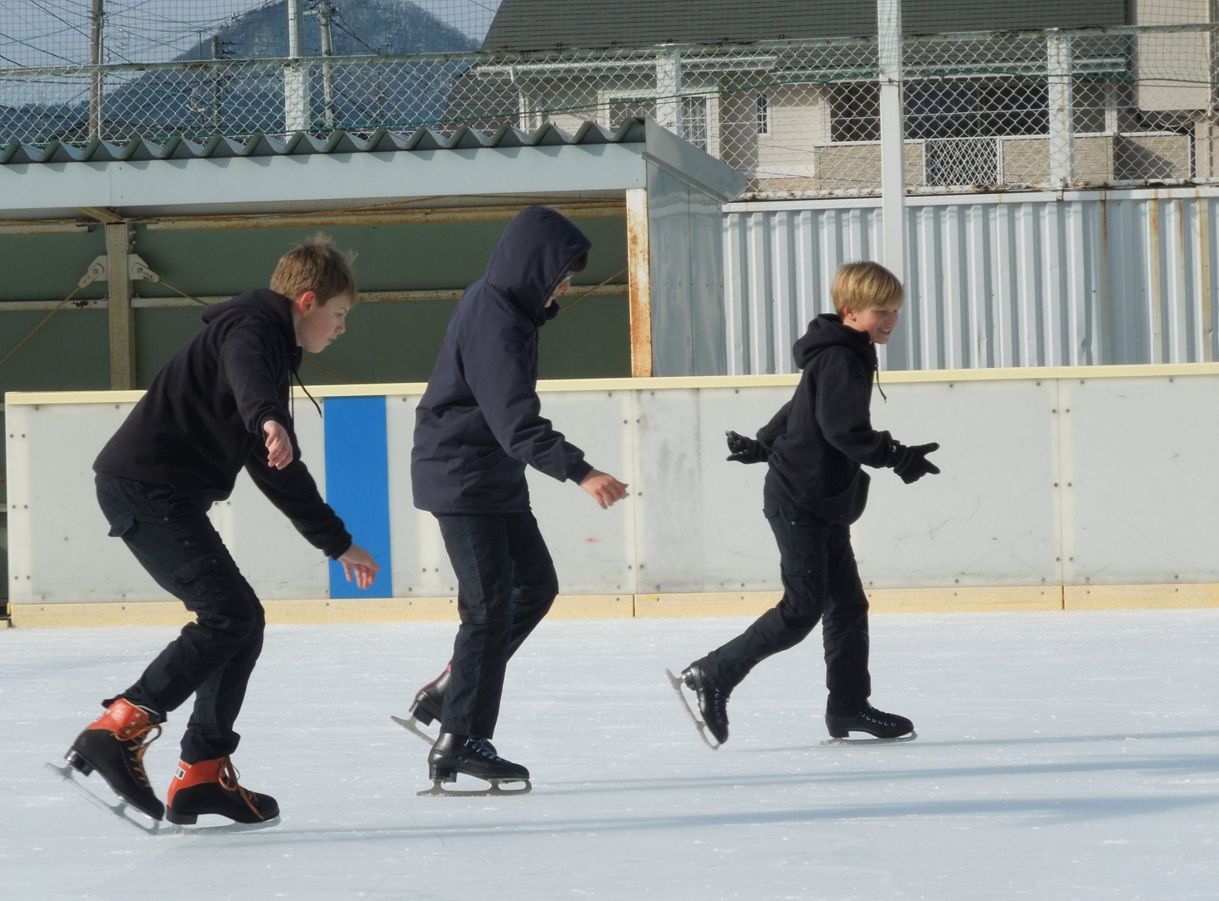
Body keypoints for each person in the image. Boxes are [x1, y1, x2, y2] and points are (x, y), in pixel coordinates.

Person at [64, 235, 379, 827]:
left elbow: (277, 472)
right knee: (228, 615)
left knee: (242, 620)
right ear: (307, 302)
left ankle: (201, 775)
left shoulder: (269, 348)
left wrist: (336, 541)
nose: (340, 329)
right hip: (145, 488)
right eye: (338, 315)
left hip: (161, 492)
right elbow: (246, 377)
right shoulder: (253, 329)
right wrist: (267, 415)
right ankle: (118, 727)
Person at [409, 205, 629, 792]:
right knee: (486, 611)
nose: (566, 285)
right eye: (562, 272)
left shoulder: (510, 312)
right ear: (533, 264)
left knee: (535, 585)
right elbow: (514, 421)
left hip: (489, 477)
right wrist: (581, 471)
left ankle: (452, 689)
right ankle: (459, 740)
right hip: (461, 477)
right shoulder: (495, 318)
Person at [675, 260, 939, 746]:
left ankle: (848, 706)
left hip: (821, 498)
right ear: (849, 310)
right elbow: (842, 430)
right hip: (801, 500)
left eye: (896, 312)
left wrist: (762, 445)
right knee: (802, 609)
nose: (890, 322)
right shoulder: (842, 357)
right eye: (881, 311)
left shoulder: (843, 350)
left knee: (847, 606)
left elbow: (800, 409)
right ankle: (713, 672)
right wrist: (896, 457)